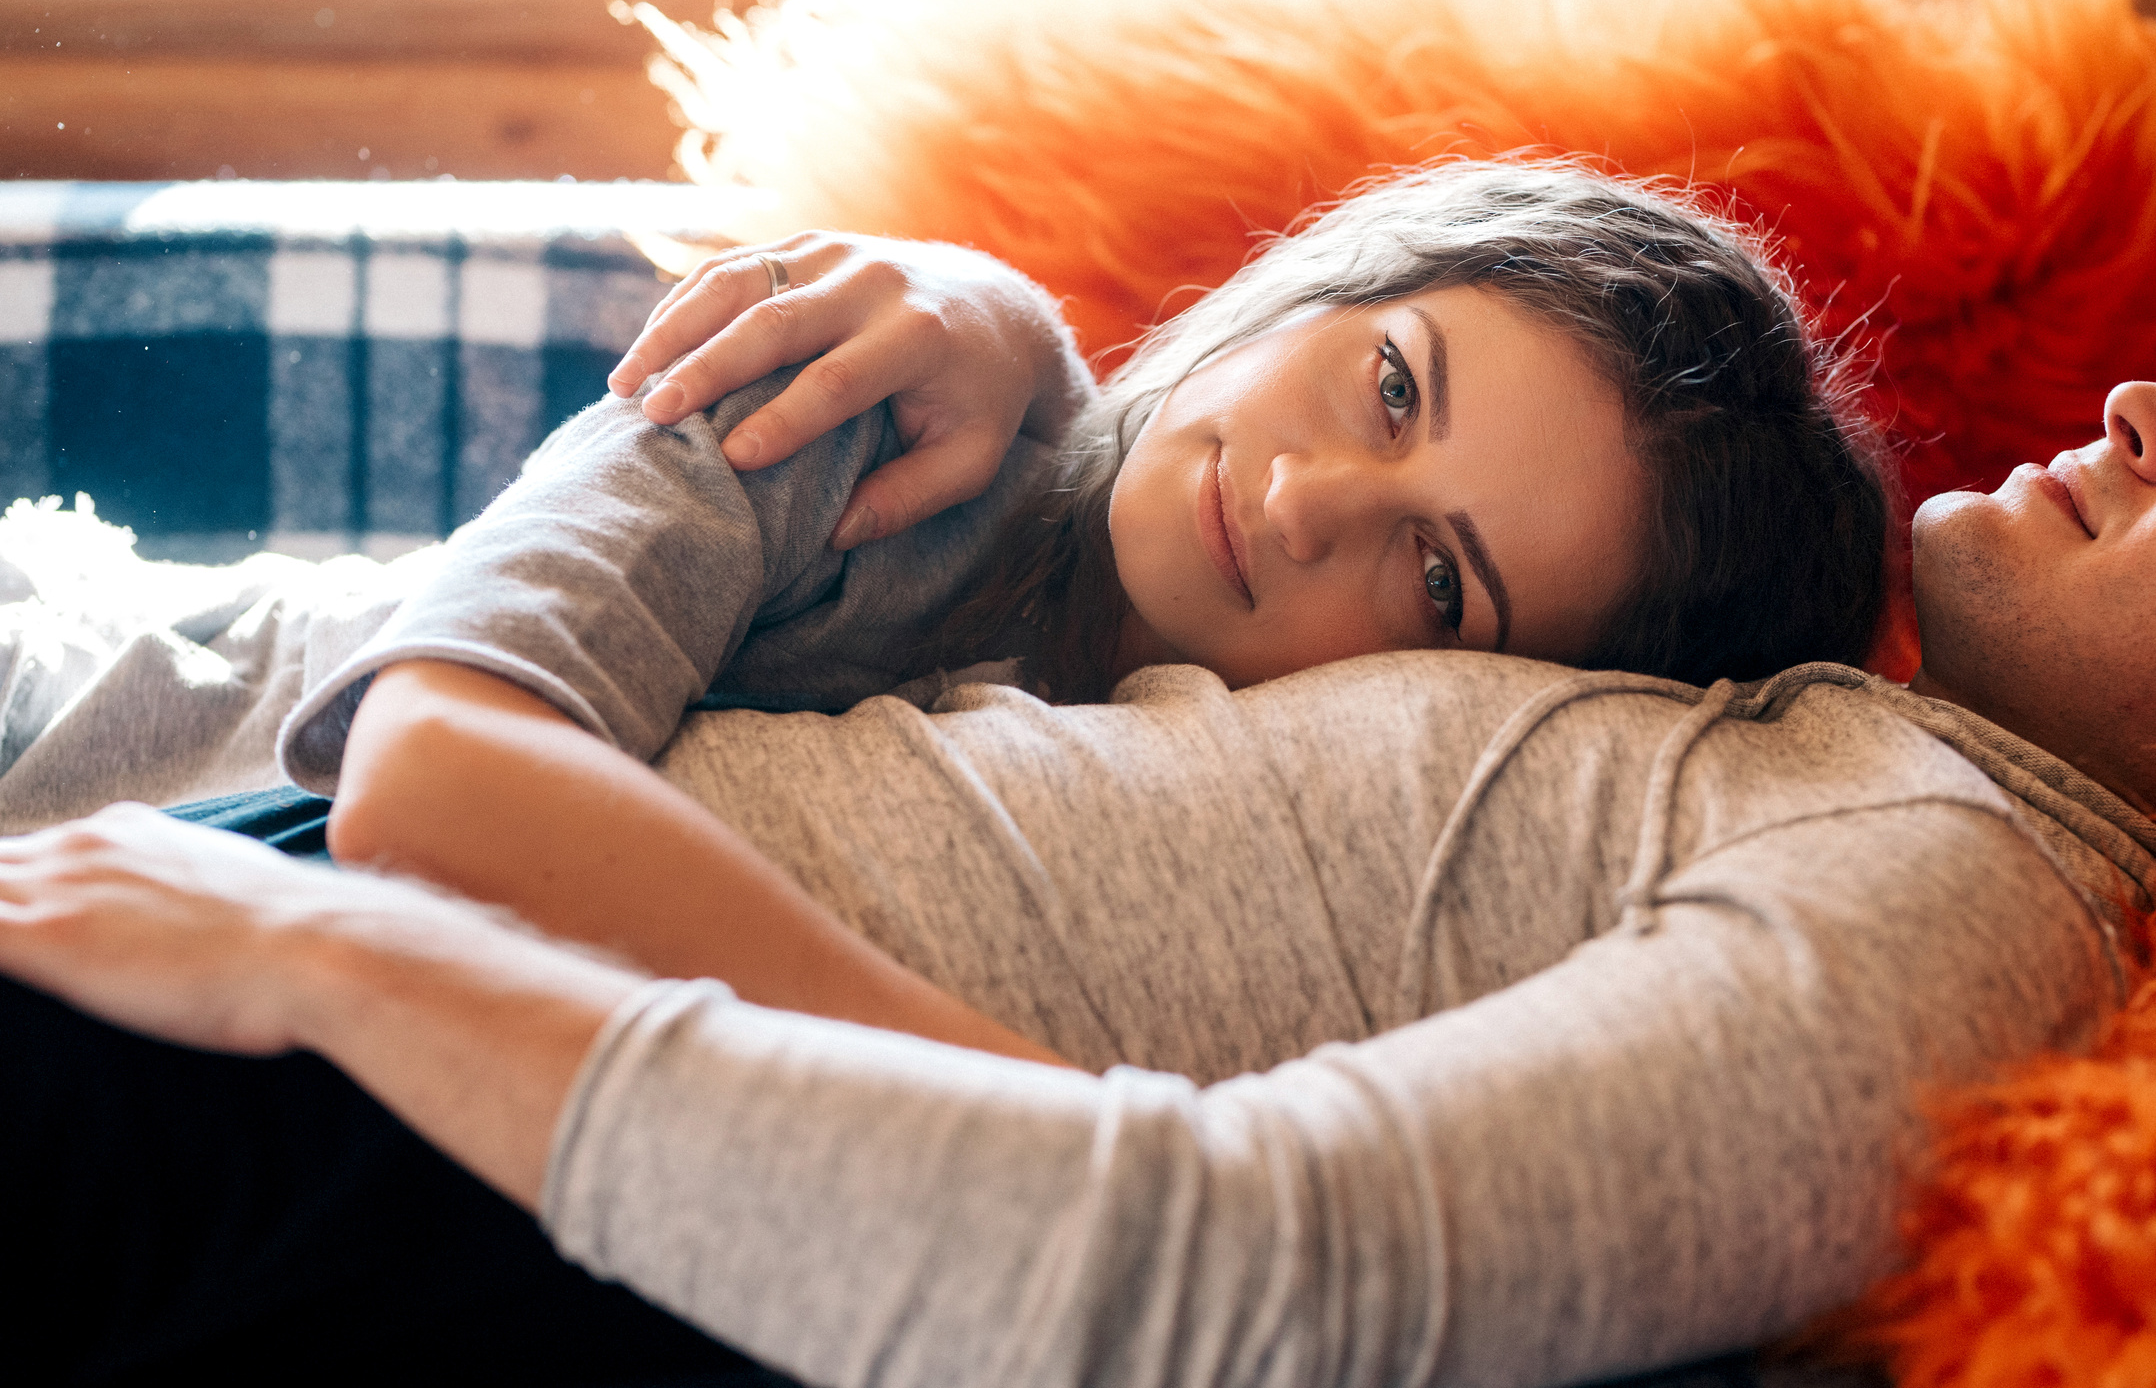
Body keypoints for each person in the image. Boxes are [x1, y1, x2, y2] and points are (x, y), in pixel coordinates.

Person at [0, 382, 2150, 1387]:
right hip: (379, 976)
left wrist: (359, 963)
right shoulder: (1843, 748)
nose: (2140, 403)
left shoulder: (1960, 887)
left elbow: (1258, 1288)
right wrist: (998, 349)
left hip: (462, 1115)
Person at [270, 160, 1887, 1059]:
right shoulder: (849, 406)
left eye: (1441, 580)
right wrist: (1027, 1107)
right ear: (1350, 270)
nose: (1306, 501)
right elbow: (419, 784)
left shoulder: (1227, 849)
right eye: (1390, 382)